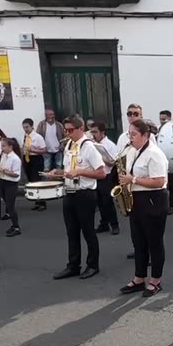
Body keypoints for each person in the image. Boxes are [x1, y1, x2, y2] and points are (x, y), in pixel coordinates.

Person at [118, 119, 170, 297]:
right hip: (138, 200)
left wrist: (132, 180)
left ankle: (155, 280)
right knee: (138, 242)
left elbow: (160, 181)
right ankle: (139, 278)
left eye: (134, 134)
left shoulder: (154, 154)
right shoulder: (133, 151)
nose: (130, 138)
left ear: (145, 135)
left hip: (153, 201)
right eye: (129, 134)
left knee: (154, 243)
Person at [51, 115, 105, 280]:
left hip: (85, 194)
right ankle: (73, 265)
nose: (67, 133)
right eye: (66, 130)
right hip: (70, 192)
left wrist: (80, 171)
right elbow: (69, 170)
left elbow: (101, 172)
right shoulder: (69, 144)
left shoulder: (89, 147)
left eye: (70, 130)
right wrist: (58, 173)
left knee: (88, 231)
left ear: (81, 129)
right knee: (71, 232)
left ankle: (92, 265)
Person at [89, 121, 121, 235]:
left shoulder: (110, 145)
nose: (93, 134)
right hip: (95, 175)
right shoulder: (91, 143)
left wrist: (99, 156)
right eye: (92, 132)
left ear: (102, 132)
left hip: (107, 176)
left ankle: (115, 225)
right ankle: (104, 224)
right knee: (99, 201)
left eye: (95, 132)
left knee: (107, 201)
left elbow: (113, 163)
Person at [0, 138, 23, 237]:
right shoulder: (4, 155)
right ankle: (13, 225)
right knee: (7, 203)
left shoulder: (15, 158)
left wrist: (2, 170)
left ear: (10, 147)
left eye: (3, 146)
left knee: (10, 206)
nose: (1, 148)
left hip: (10, 184)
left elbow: (16, 174)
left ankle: (16, 227)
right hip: (2, 181)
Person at [20, 118, 48, 209]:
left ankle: (42, 203)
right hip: (27, 159)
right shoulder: (24, 136)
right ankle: (37, 202)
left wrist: (32, 150)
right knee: (31, 181)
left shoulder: (37, 137)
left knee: (37, 181)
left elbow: (44, 150)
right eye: (24, 127)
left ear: (32, 127)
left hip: (36, 159)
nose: (25, 129)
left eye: (27, 127)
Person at [157, 109, 173, 211]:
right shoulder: (158, 129)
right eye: (161, 119)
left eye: (164, 119)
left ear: (170, 119)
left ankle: (171, 205)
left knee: (171, 184)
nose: (162, 121)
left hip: (170, 160)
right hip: (159, 161)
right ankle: (162, 205)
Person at [38, 107, 64, 173]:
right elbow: (38, 136)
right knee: (46, 167)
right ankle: (47, 181)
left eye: (53, 114)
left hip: (58, 149)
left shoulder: (59, 125)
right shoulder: (41, 125)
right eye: (50, 114)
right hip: (46, 149)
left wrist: (62, 144)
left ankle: (59, 179)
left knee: (59, 166)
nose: (52, 116)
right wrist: (42, 147)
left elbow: (64, 136)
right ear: (46, 115)